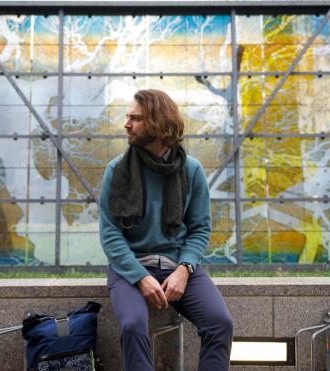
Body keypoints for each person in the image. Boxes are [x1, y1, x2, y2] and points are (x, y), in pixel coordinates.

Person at [99, 89, 233, 371]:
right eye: (127, 117)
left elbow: (199, 229)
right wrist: (140, 278)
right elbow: (110, 234)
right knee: (134, 325)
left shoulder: (191, 171)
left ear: (158, 124)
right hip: (129, 268)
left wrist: (184, 270)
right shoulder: (116, 171)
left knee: (220, 322)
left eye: (135, 118)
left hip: (178, 265)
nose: (127, 124)